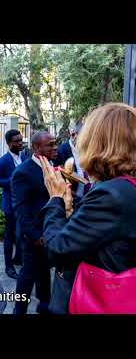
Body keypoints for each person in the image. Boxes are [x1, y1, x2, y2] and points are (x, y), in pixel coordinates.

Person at [40, 103, 136, 314]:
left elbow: (57, 250)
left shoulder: (112, 194)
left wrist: (55, 199)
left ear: (97, 142)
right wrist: (68, 209)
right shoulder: (126, 188)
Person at [11, 131, 57, 314]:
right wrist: (36, 236)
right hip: (34, 237)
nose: (55, 147)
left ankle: (44, 307)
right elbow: (21, 209)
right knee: (27, 276)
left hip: (51, 232)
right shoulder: (23, 172)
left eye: (55, 143)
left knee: (45, 275)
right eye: (50, 144)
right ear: (37, 148)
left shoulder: (53, 166)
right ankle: (18, 310)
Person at [0, 129, 24, 279]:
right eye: (16, 141)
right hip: (10, 205)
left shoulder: (24, 156)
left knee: (21, 234)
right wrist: (12, 180)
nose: (20, 143)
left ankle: (18, 258)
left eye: (21, 140)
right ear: (9, 143)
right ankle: (8, 267)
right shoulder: (2, 161)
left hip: (24, 204)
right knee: (10, 236)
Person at [54, 121, 90, 199]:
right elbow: (59, 175)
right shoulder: (62, 151)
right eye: (84, 138)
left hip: (88, 196)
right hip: (72, 198)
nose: (86, 141)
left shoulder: (87, 150)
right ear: (73, 135)